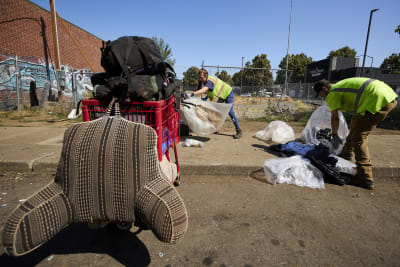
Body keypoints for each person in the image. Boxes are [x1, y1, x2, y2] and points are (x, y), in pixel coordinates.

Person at [314, 77, 398, 190]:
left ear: (324, 89)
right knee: (355, 123)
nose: (322, 97)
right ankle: (346, 153)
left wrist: (334, 134)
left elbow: (335, 118)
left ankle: (365, 177)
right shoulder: (340, 85)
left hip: (377, 100)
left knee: (359, 137)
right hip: (388, 96)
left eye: (320, 94)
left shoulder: (332, 94)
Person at [191, 68, 242, 139]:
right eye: (199, 77)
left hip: (228, 93)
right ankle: (216, 128)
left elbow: (205, 89)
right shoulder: (206, 82)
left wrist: (193, 93)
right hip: (221, 96)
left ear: (206, 76)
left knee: (230, 112)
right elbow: (210, 93)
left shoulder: (209, 81)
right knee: (214, 111)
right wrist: (204, 99)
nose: (200, 79)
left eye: (201, 77)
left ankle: (238, 130)